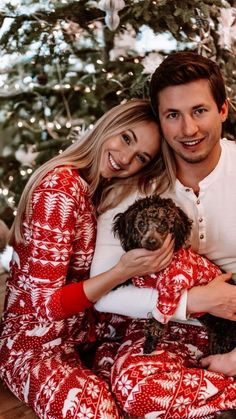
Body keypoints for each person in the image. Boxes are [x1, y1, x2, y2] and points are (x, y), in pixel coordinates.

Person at [0, 99, 174, 419]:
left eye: (141, 157)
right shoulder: (60, 188)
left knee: (147, 394)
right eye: (126, 138)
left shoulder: (100, 191)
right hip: (34, 349)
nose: (125, 159)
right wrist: (123, 270)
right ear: (109, 125)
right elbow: (47, 305)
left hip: (85, 340)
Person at [90, 52, 236, 418]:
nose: (188, 130)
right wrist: (195, 299)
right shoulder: (133, 188)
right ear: (161, 119)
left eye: (199, 111)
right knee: (137, 390)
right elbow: (103, 293)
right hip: (164, 329)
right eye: (173, 115)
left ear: (223, 110)